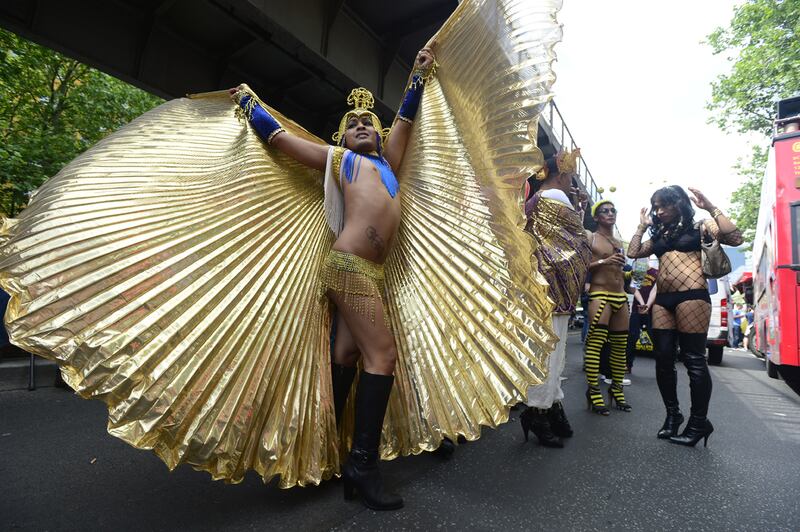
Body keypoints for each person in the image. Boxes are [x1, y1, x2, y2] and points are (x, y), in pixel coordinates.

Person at [628, 185, 743, 446]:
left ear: (679, 203)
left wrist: (711, 206)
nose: (659, 210)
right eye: (656, 206)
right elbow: (633, 252)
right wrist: (641, 226)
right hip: (664, 300)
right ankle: (673, 416)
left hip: (693, 295)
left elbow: (735, 238)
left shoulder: (700, 226)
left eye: (664, 205)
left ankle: (699, 421)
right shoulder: (658, 233)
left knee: (693, 359)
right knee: (663, 359)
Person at [518, 149, 591, 448]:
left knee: (545, 350)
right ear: (562, 174)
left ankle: (550, 405)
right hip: (555, 285)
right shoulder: (557, 200)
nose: (572, 179)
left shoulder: (534, 200)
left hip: (538, 284)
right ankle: (538, 410)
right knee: (551, 352)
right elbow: (579, 242)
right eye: (570, 174)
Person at [583, 200, 632, 415]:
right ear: (596, 217)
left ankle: (617, 388)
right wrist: (605, 261)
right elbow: (581, 265)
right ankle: (593, 391)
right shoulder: (590, 236)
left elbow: (619, 273)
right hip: (599, 294)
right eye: (605, 211)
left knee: (620, 347)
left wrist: (632, 275)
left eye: (613, 210)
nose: (610, 213)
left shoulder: (619, 241)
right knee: (596, 344)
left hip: (620, 295)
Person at [626, 259, 658, 375]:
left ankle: (661, 366)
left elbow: (654, 291)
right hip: (637, 309)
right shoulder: (640, 271)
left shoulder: (655, 272)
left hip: (651, 310)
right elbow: (634, 289)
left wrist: (648, 306)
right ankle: (628, 364)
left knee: (655, 337)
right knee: (632, 337)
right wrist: (642, 304)